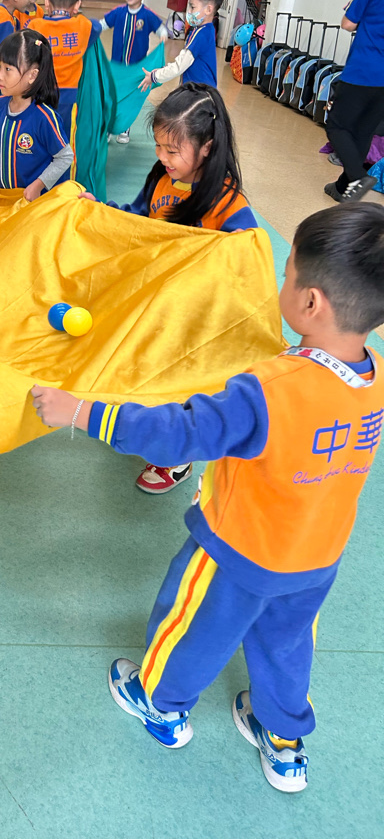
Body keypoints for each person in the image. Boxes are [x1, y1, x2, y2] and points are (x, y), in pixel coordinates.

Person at [31, 201, 384, 794]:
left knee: (195, 626)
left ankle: (160, 704)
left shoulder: (268, 389)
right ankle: (284, 743)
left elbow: (179, 434)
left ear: (310, 302)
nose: (280, 283)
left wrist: (82, 411)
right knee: (287, 644)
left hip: (237, 550)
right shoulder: (373, 377)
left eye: (287, 274)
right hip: (317, 557)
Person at [80, 83, 257, 494]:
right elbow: (136, 221)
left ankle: (176, 458)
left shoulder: (226, 202)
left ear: (207, 148)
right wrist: (100, 211)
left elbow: (247, 256)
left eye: (172, 150)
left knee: (181, 385)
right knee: (143, 368)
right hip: (154, 306)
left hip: (194, 321)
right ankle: (141, 425)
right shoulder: (161, 179)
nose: (162, 157)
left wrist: (231, 255)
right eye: (159, 146)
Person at [323, 0, 384, 204]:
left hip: (363, 71)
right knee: (363, 132)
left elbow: (348, 23)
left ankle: (358, 177)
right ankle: (342, 188)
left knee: (336, 126)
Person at [0, 29, 73, 203]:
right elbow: (4, 151)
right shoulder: (0, 105)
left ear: (32, 76)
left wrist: (38, 185)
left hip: (36, 205)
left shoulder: (44, 117)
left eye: (8, 69)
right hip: (8, 200)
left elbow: (65, 157)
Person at [28, 0, 102, 150]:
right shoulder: (83, 26)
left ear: (46, 2)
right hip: (69, 99)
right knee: (65, 143)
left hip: (39, 95)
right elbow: (97, 26)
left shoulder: (35, 26)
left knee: (38, 140)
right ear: (77, 5)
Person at [100, 0, 167, 143]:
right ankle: (109, 127)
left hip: (137, 69)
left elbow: (161, 28)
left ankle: (124, 129)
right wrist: (91, 30)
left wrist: (163, 34)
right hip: (117, 68)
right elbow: (103, 23)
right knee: (112, 96)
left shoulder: (147, 15)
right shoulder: (119, 12)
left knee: (129, 99)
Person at [139, 0, 223, 92]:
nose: (189, 12)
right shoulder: (207, 30)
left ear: (208, 9)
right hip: (203, 92)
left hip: (199, 94)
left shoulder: (200, 34)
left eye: (193, 7)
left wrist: (155, 76)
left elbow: (180, 66)